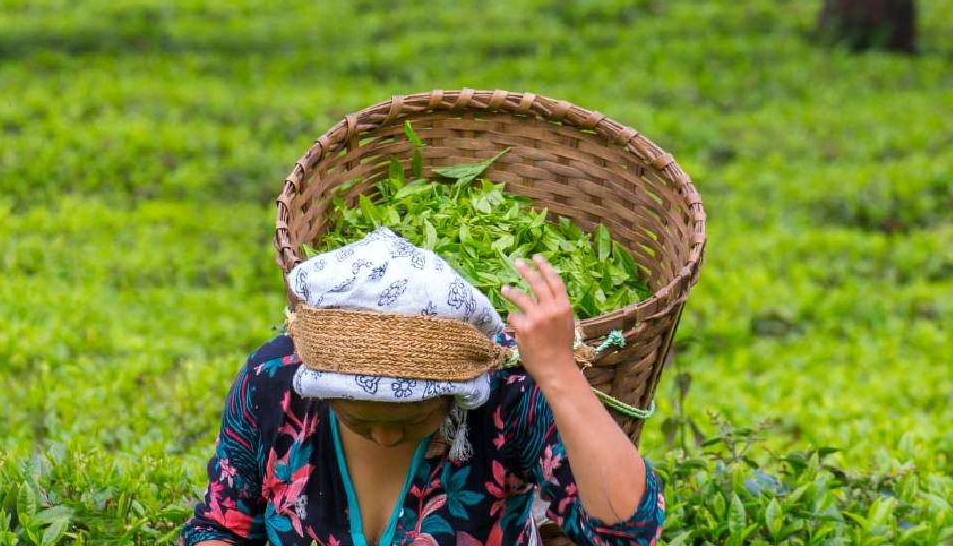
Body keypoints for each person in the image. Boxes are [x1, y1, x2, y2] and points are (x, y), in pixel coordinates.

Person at [180, 227, 663, 546]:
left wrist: (558, 373)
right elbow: (221, 526)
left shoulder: (504, 398)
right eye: (357, 417)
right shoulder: (275, 383)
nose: (387, 437)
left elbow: (627, 533)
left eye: (412, 418)